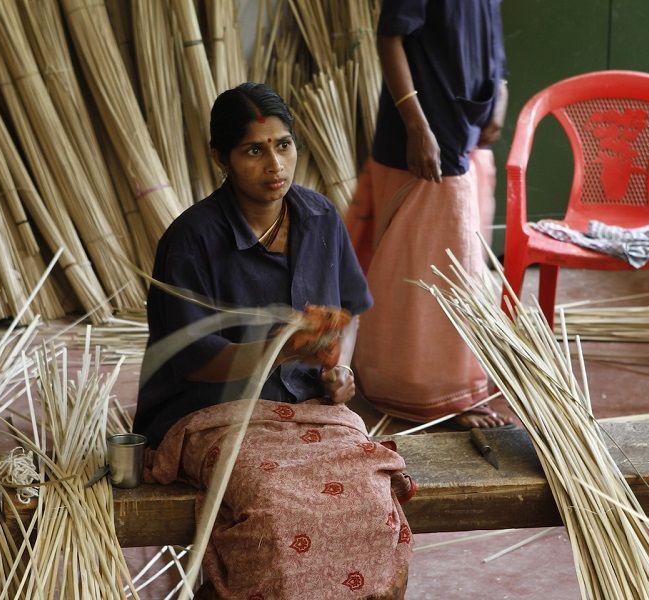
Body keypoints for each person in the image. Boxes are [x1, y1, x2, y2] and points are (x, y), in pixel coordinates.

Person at [134, 82, 413, 599]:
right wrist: (284, 347)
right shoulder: (191, 240)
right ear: (221, 157)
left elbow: (346, 311)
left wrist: (338, 369)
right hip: (210, 413)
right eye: (253, 150)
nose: (274, 165)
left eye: (283, 145)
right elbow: (196, 364)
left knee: (374, 498)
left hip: (308, 408)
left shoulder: (321, 217)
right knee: (277, 510)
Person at [345, 0, 511, 429]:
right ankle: (430, 394)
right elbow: (390, 38)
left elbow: (487, 27)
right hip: (426, 136)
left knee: (459, 266)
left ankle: (444, 385)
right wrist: (418, 128)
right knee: (427, 275)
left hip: (464, 124)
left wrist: (501, 90)